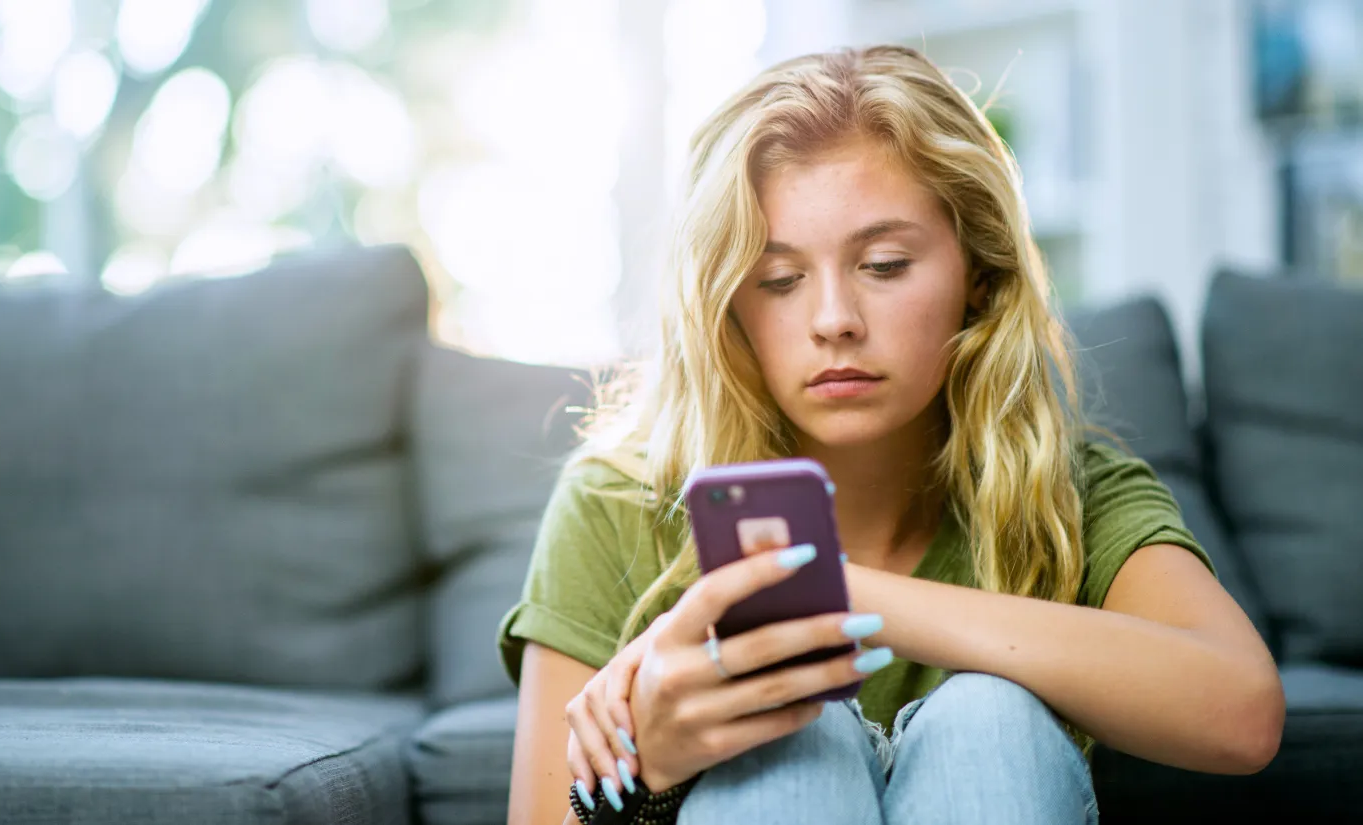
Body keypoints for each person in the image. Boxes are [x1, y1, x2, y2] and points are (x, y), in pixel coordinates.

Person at [496, 45, 1283, 825]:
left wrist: (835, 593)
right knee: (790, 747)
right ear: (730, 303)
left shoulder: (1066, 490)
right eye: (779, 280)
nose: (834, 319)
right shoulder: (616, 499)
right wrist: (653, 772)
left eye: (884, 263)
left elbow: (1243, 713)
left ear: (979, 274)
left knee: (988, 718)